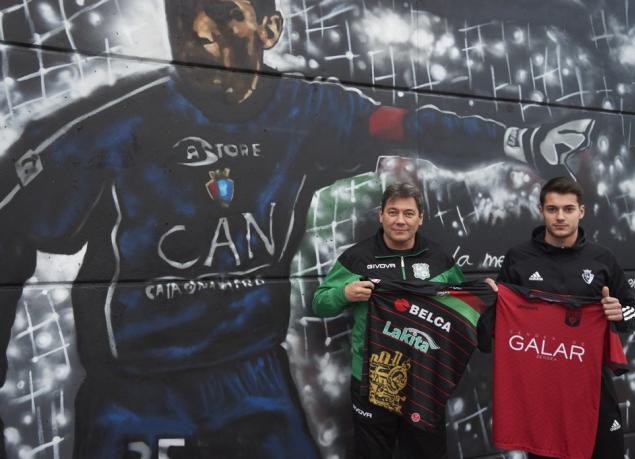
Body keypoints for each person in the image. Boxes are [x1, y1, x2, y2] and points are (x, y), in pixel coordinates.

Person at [0, 0, 596, 457]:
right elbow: (10, 225)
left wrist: (519, 141)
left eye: (226, 15)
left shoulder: (310, 114)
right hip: (135, 392)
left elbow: (410, 125)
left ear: (270, 30)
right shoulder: (114, 128)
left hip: (253, 375)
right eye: (185, 14)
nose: (201, 31)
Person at [488, 176, 635, 458]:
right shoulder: (518, 258)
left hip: (592, 386)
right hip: (539, 392)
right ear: (541, 211)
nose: (560, 217)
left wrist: (618, 313)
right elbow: (498, 320)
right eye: (552, 209)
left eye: (568, 209)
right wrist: (487, 301)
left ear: (581, 211)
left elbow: (632, 312)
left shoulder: (602, 259)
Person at [311, 182, 463, 459]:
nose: (400, 221)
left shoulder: (440, 259)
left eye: (408, 213)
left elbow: (462, 306)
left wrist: (488, 294)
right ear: (381, 215)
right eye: (393, 212)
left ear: (420, 218)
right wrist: (344, 293)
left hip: (424, 378)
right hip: (372, 378)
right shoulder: (357, 258)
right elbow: (320, 303)